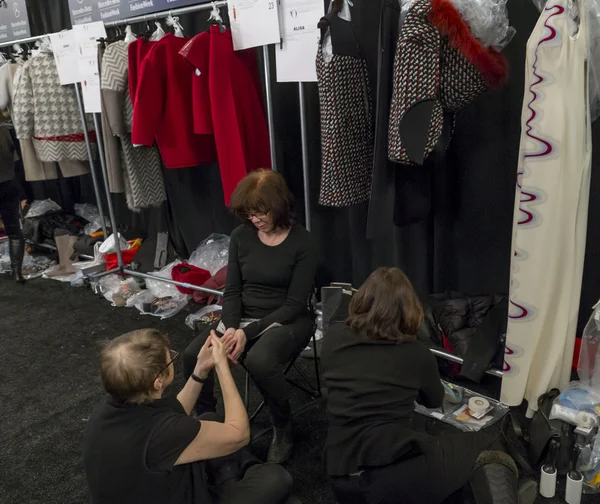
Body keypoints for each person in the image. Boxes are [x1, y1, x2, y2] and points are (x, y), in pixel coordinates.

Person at [321, 267, 534, 504]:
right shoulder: (415, 353)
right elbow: (433, 400)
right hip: (386, 481)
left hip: (340, 475)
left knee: (421, 433)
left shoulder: (333, 336)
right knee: (488, 442)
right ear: (408, 312)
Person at [182, 170, 318, 464]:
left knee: (260, 360)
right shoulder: (241, 236)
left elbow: (295, 304)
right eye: (249, 214)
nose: (255, 220)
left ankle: (283, 429)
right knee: (193, 355)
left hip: (287, 319)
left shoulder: (303, 242)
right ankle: (206, 417)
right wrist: (231, 328)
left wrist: (249, 331)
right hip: (241, 318)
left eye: (261, 213)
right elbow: (232, 291)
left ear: (279, 205)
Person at [83, 328, 298, 504]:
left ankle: (230, 476)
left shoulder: (109, 410)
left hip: (146, 489)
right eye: (171, 359)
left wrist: (201, 370)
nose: (174, 358)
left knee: (210, 419)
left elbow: (171, 414)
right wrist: (222, 366)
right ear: (158, 381)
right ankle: (236, 477)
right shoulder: (163, 433)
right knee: (276, 479)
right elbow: (239, 433)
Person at [0, 128, 24, 282]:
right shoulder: (3, 129)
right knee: (14, 231)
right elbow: (13, 154)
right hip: (8, 182)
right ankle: (17, 273)